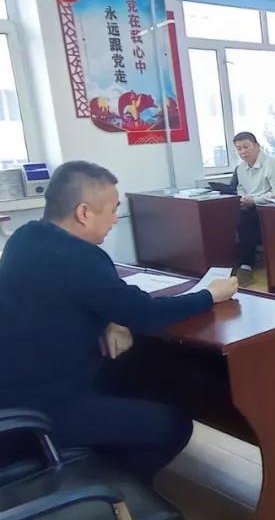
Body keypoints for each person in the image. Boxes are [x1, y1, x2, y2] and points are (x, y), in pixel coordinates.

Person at [0, 161, 238, 482]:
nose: (115, 219)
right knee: (173, 425)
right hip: (44, 409)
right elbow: (147, 314)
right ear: (84, 212)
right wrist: (210, 295)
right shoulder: (81, 258)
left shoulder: (24, 237)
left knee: (137, 370)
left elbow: (70, 297)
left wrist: (111, 319)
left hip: (14, 394)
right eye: (112, 210)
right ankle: (112, 494)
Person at [233, 131, 275, 285]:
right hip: (251, 207)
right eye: (239, 149)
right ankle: (227, 263)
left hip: (274, 209)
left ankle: (246, 266)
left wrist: (254, 200)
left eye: (246, 147)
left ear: (257, 146)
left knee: (246, 218)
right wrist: (243, 198)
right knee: (228, 214)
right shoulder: (240, 168)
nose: (243, 151)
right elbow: (240, 188)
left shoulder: (271, 164)